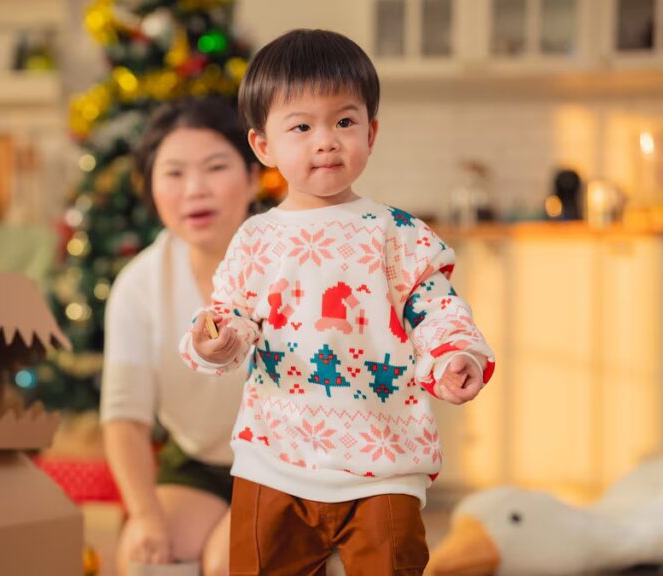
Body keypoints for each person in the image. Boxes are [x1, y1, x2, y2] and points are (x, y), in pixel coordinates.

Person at [179, 30, 496, 576]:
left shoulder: (398, 234)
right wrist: (217, 339)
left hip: (384, 459)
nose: (326, 140)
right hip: (273, 458)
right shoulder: (256, 240)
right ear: (264, 146)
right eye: (301, 126)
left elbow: (438, 308)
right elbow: (229, 315)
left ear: (371, 133)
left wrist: (454, 355)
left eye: (344, 122)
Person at [100, 97, 261, 576]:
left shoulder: (290, 260)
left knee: (227, 561)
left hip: (292, 462)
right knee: (144, 554)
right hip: (199, 460)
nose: (195, 190)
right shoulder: (139, 283)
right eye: (173, 173)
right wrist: (146, 516)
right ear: (151, 189)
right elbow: (125, 419)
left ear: (253, 175)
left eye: (215, 167)